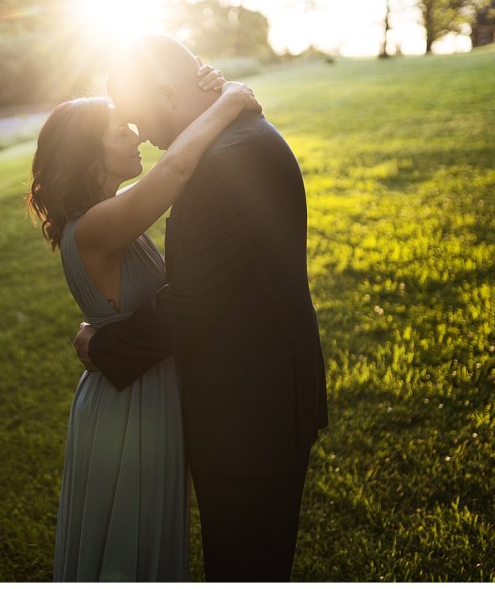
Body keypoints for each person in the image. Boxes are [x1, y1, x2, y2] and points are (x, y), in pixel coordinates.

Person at [74, 34, 329, 581]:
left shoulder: (224, 161)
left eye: (139, 115)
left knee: (244, 566)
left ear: (167, 92)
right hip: (263, 396)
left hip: (249, 412)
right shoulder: (236, 137)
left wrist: (103, 346)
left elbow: (190, 304)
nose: (140, 132)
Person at [27, 62, 261, 581]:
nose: (135, 133)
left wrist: (206, 91)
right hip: (126, 408)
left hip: (139, 390)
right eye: (120, 129)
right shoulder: (95, 226)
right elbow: (176, 169)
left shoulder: (107, 216)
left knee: (145, 542)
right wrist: (231, 100)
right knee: (128, 546)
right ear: (91, 154)